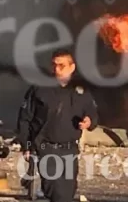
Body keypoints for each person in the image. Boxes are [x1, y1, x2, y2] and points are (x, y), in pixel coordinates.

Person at [17, 48, 99, 202]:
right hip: (46, 148)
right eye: (54, 65)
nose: (56, 69)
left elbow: (92, 113)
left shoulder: (81, 90)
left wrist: (89, 122)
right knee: (56, 194)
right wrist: (26, 146)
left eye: (61, 66)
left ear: (72, 67)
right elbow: (25, 119)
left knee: (68, 193)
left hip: (70, 149)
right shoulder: (39, 89)